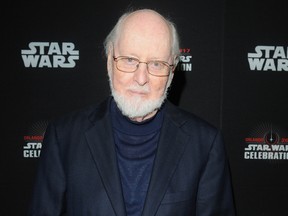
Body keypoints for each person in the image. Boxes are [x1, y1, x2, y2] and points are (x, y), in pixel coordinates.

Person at [28, 8, 236, 216]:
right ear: (110, 60)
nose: (141, 78)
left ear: (171, 71)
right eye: (129, 60)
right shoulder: (64, 138)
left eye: (156, 64)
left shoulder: (205, 145)